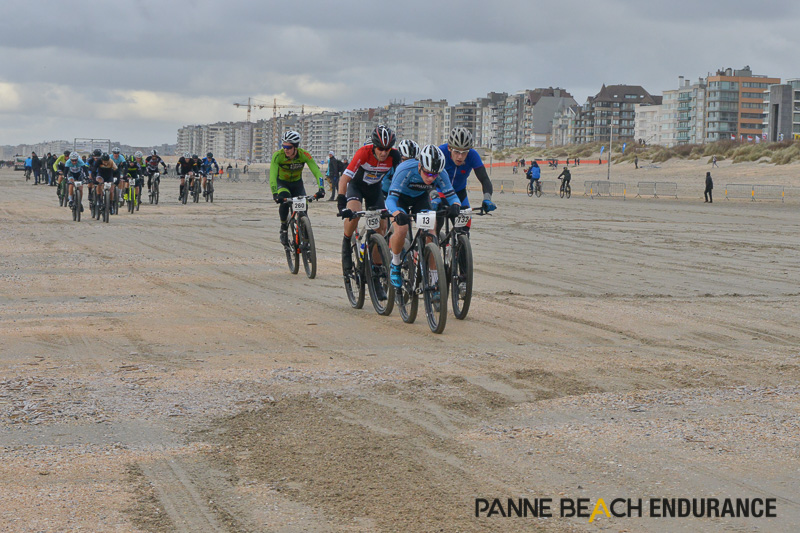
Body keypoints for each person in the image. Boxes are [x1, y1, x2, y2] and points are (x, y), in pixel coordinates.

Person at [386, 144, 460, 290]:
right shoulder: (405, 170)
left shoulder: (440, 172)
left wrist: (456, 205)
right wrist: (396, 214)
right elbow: (390, 200)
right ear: (420, 166)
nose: (431, 178)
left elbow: (451, 195)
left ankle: (433, 279)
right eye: (427, 173)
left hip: (420, 199)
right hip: (400, 199)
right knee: (401, 229)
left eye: (434, 175)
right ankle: (395, 263)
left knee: (431, 234)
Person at [337, 125, 401, 273]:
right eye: (380, 149)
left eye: (387, 149)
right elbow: (344, 179)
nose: (384, 153)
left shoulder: (395, 156)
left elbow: (399, 179)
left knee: (381, 227)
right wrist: (341, 203)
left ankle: (376, 269)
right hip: (357, 187)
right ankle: (346, 243)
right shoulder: (363, 153)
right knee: (354, 213)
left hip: (374, 190)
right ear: (374, 146)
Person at [269, 131, 326, 246]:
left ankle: (306, 238)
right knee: (284, 201)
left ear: (295, 147)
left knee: (304, 208)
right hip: (282, 183)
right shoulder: (278, 156)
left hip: (297, 184)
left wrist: (321, 188)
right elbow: (272, 176)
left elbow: (317, 172)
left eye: (288, 147)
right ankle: (283, 227)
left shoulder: (304, 155)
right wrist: (275, 194)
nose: (285, 149)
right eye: (284, 146)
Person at [433, 127, 495, 230]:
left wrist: (487, 199)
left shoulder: (473, 155)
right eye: (456, 152)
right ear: (449, 148)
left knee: (464, 228)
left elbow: (485, 179)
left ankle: (461, 243)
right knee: (438, 221)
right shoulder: (441, 152)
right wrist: (433, 196)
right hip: (440, 190)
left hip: (459, 192)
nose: (460, 157)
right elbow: (428, 176)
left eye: (464, 152)